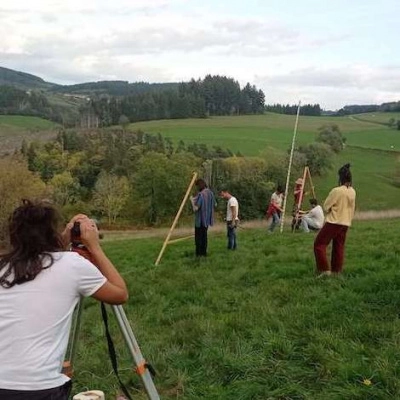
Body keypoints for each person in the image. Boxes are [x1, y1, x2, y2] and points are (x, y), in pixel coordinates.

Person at [0, 199, 128, 400]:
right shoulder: (71, 265)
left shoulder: (3, 267)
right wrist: (94, 247)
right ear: (52, 232)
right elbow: (120, 294)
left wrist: (64, 238)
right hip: (40, 389)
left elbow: (39, 255)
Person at [314, 163, 356, 277]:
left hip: (334, 221)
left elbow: (326, 206)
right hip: (346, 222)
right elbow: (352, 208)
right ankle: (336, 271)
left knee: (319, 244)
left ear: (340, 177)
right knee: (339, 246)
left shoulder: (336, 191)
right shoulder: (352, 191)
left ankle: (324, 270)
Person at [190, 179, 215, 257]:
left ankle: (199, 254)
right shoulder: (210, 193)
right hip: (207, 220)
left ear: (199, 186)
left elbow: (196, 208)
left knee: (199, 238)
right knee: (204, 236)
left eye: (197, 186)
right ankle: (204, 253)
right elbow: (214, 204)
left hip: (200, 220)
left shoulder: (201, 195)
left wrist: (191, 201)